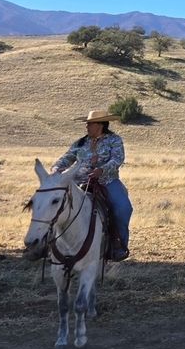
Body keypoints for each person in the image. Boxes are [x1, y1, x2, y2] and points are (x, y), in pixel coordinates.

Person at [51, 109, 132, 261]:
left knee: (123, 208)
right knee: (52, 203)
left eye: (90, 124)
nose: (86, 127)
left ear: (100, 125)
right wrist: (57, 168)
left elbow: (117, 159)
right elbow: (67, 157)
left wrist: (101, 170)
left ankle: (118, 246)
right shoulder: (81, 142)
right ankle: (46, 242)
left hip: (106, 182)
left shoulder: (114, 140)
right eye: (87, 124)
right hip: (78, 182)